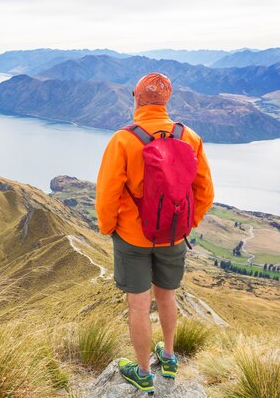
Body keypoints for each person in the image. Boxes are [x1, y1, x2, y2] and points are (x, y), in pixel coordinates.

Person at [95, 73, 214, 393]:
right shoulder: (189, 136)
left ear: (135, 96)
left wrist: (109, 228)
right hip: (174, 234)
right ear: (167, 100)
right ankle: (170, 357)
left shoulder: (124, 139)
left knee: (138, 304)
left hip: (133, 236)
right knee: (168, 295)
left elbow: (107, 194)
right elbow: (205, 191)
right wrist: (188, 223)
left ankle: (144, 373)